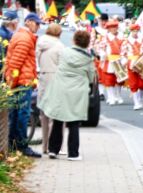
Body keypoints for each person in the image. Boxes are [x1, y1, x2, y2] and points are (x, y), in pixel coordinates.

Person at [38, 29, 97, 161]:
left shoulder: (64, 52)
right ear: (87, 44)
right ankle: (73, 154)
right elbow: (91, 76)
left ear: (74, 40)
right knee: (74, 122)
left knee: (58, 118)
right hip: (77, 92)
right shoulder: (88, 59)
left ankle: (53, 150)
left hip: (61, 88)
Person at [4, 14, 41, 156]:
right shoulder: (25, 38)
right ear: (29, 22)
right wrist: (12, 84)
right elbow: (15, 64)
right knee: (22, 114)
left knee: (15, 113)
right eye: (37, 24)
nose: (38, 27)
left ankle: (13, 144)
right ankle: (22, 145)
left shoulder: (20, 36)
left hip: (20, 82)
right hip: (22, 82)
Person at [35, 23, 65, 156]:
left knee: (44, 115)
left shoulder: (39, 43)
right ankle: (56, 147)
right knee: (56, 115)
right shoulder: (59, 46)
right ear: (59, 33)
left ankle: (44, 147)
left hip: (42, 78)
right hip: (56, 80)